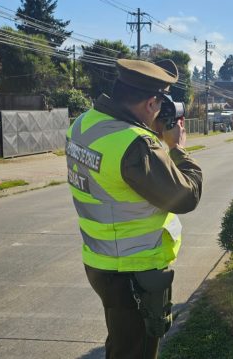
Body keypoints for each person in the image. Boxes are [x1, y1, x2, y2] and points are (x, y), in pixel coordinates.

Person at [66, 58, 203, 358]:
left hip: (101, 261)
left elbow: (115, 178)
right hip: (134, 271)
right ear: (152, 102)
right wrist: (177, 149)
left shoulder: (85, 123)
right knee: (135, 350)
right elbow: (186, 196)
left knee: (121, 342)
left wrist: (148, 133)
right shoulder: (136, 146)